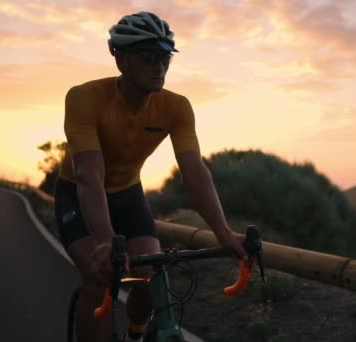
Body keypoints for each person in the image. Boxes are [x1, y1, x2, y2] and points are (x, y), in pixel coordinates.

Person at [54, 11, 248, 342]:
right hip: (79, 194)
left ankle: (135, 334)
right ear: (121, 59)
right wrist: (104, 242)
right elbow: (89, 175)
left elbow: (194, 172)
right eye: (148, 57)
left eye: (165, 58)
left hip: (128, 194)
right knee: (100, 277)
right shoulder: (84, 98)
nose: (159, 67)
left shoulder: (176, 107)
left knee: (148, 275)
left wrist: (223, 232)